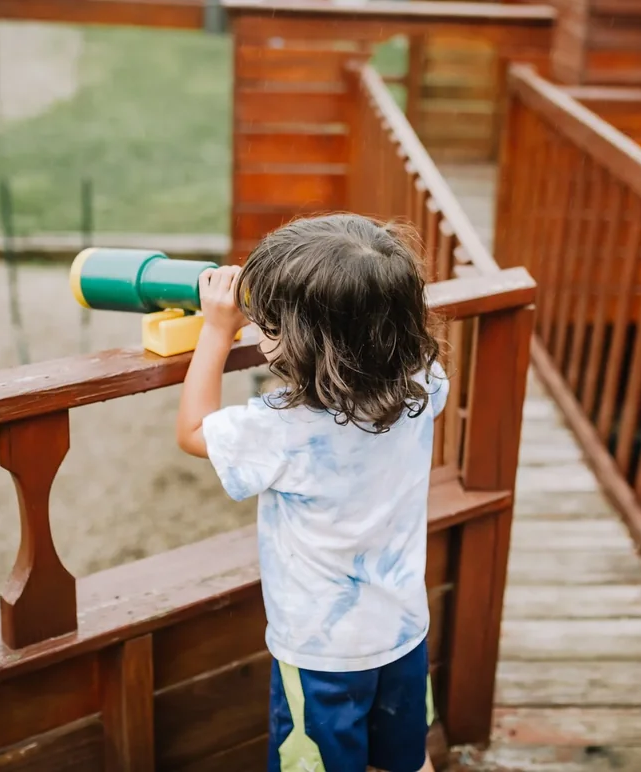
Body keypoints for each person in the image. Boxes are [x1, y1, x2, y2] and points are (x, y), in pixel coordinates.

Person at [175, 214, 447, 772]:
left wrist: (216, 330)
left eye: (270, 326)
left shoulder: (282, 428)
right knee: (407, 759)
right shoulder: (424, 385)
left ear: (308, 346)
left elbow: (193, 432)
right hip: (402, 630)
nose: (261, 332)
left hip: (322, 653)